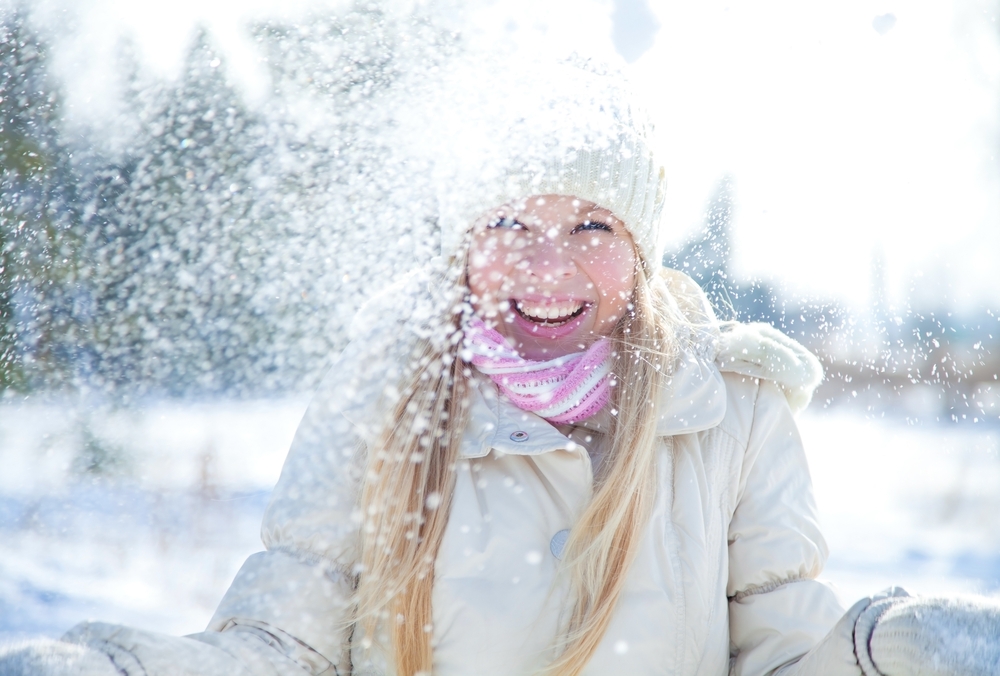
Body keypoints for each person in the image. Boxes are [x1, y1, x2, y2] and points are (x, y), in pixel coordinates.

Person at [3, 55, 999, 676]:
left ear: (643, 243)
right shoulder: (382, 393)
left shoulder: (731, 412)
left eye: (591, 224)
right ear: (464, 240)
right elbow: (284, 648)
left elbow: (780, 662)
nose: (547, 263)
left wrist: (885, 653)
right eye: (510, 221)